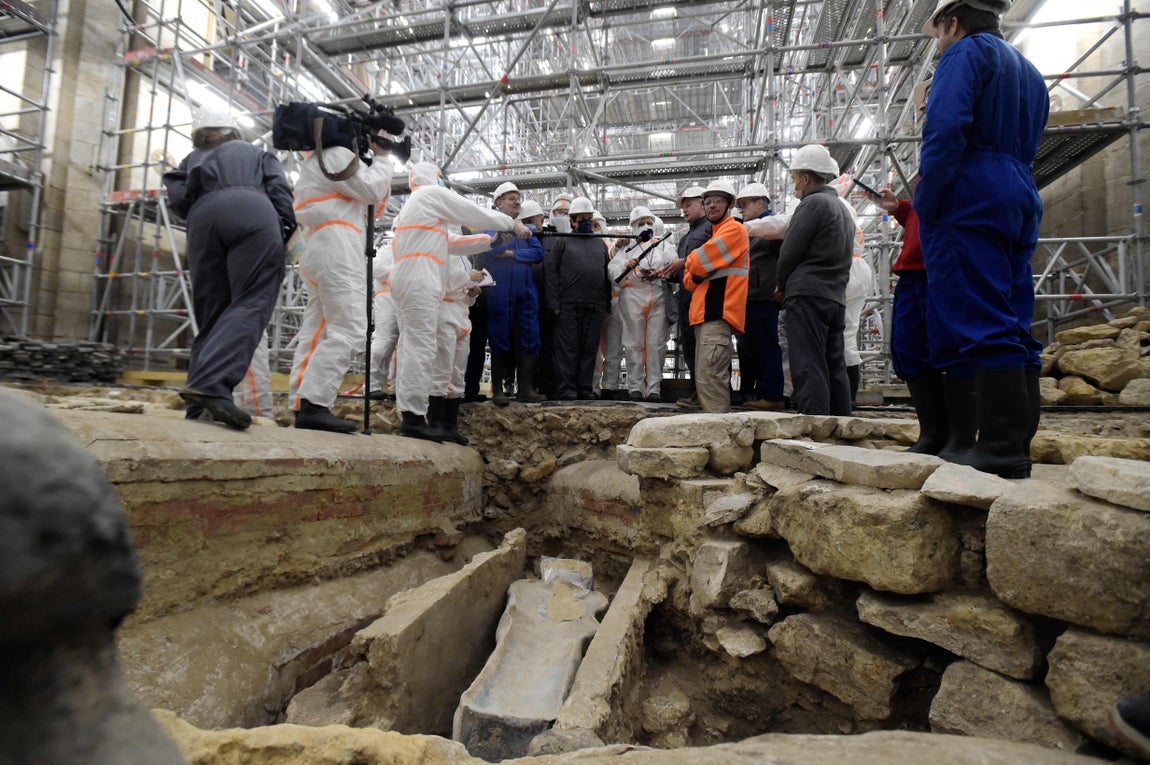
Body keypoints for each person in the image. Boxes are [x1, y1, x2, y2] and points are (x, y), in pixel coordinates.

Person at [916, 0, 1048, 479]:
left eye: (937, 33)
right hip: (1017, 189)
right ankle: (1014, 443)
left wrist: (928, 199)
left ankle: (998, 448)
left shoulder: (964, 54)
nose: (938, 42)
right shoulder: (1027, 70)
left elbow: (946, 127)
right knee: (1013, 316)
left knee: (980, 315)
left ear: (953, 21)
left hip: (970, 190)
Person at [162, 107, 296, 430]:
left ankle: (198, 403)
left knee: (212, 313)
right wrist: (288, 231)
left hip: (202, 221)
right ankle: (213, 385)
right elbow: (280, 191)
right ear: (233, 131)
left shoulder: (190, 161)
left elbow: (178, 201)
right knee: (252, 299)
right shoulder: (256, 153)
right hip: (251, 211)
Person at [391, 162, 530, 440]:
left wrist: (492, 242)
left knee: (422, 349)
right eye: (442, 179)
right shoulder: (429, 194)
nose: (445, 184)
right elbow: (473, 213)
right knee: (420, 349)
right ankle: (413, 418)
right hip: (420, 277)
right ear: (431, 178)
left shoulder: (422, 213)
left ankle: (423, 418)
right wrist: (510, 223)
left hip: (418, 276)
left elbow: (455, 243)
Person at [287, 135, 392, 433]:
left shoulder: (318, 160)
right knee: (350, 328)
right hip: (337, 245)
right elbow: (371, 191)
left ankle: (303, 401)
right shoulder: (336, 154)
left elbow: (372, 203)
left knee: (317, 329)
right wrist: (383, 159)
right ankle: (315, 403)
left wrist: (371, 166)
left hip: (319, 242)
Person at [776, 144, 855, 416]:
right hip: (835, 296)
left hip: (808, 293)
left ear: (807, 178)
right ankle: (841, 424)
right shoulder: (842, 208)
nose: (794, 183)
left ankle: (815, 428)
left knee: (808, 360)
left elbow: (790, 249)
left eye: (796, 177)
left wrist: (781, 283)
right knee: (834, 363)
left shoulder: (812, 203)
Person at [681, 180, 749, 414]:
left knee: (712, 378)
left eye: (717, 201)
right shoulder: (715, 234)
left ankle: (720, 437)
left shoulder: (734, 230)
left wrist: (694, 264)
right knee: (706, 380)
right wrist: (696, 268)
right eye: (707, 202)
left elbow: (695, 263)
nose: (711, 206)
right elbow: (689, 280)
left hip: (718, 313)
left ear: (730, 204)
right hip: (705, 315)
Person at [481, 182, 546, 406]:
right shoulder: (491, 225)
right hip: (501, 289)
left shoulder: (522, 228)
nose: (517, 201)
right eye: (511, 198)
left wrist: (510, 253)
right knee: (500, 335)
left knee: (529, 335)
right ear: (499, 203)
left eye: (518, 198)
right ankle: (498, 388)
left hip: (525, 290)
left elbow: (538, 253)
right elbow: (489, 248)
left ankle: (525, 388)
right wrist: (502, 244)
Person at [545, 196, 612, 400]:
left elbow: (606, 274)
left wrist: (606, 302)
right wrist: (554, 302)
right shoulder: (563, 241)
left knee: (589, 348)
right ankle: (567, 388)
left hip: (595, 304)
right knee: (568, 348)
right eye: (581, 218)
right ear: (572, 221)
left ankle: (584, 388)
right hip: (568, 304)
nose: (586, 222)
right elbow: (551, 271)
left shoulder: (599, 244)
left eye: (589, 218)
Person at [651, 185, 712, 410]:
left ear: (702, 203)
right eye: (683, 206)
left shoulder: (710, 230)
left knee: (705, 348)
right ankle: (698, 392)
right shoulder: (687, 236)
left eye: (688, 205)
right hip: (687, 299)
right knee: (691, 348)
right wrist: (667, 274)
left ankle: (709, 395)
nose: (684, 210)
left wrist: (683, 263)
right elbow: (682, 271)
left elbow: (708, 260)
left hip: (704, 297)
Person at [609, 206, 672, 402]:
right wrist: (625, 265)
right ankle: (634, 387)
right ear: (633, 226)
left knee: (656, 344)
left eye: (648, 222)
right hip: (632, 297)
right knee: (633, 343)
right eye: (640, 223)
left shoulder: (662, 244)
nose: (645, 226)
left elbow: (673, 262)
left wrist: (659, 270)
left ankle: (654, 388)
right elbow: (612, 272)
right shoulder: (627, 247)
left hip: (657, 295)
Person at [734, 183, 785, 411]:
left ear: (760, 202)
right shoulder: (752, 229)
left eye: (745, 204)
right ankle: (758, 393)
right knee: (750, 347)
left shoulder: (772, 227)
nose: (741, 209)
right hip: (750, 297)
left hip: (763, 297)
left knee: (766, 345)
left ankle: (772, 394)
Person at [429, 256, 485, 444]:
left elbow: (465, 297)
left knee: (458, 372)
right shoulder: (442, 252)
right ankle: (434, 423)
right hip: (444, 312)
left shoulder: (465, 259)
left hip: (462, 315)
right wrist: (466, 277)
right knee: (442, 369)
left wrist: (472, 293)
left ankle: (450, 426)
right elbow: (438, 286)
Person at [367, 241, 399, 401]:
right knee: (384, 342)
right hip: (387, 299)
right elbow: (377, 270)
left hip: (406, 300)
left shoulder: (412, 249)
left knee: (406, 348)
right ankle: (372, 386)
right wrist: (402, 270)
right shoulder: (387, 250)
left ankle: (397, 388)